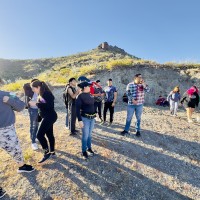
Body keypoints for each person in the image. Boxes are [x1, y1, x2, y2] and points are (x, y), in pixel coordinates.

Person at [0, 81, 35, 173]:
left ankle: (22, 166)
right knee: (15, 149)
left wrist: (9, 100)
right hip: (6, 129)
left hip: (6, 129)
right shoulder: (7, 94)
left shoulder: (7, 94)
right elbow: (21, 106)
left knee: (15, 148)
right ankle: (22, 166)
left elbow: (21, 106)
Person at [30, 80, 57, 163]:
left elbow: (49, 106)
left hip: (50, 116)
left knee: (39, 135)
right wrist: (39, 117)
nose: (33, 90)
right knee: (49, 134)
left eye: (33, 88)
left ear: (38, 87)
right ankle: (52, 152)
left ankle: (46, 152)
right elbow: (42, 108)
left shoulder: (46, 94)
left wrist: (36, 104)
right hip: (47, 116)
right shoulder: (41, 94)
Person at [76, 81, 96, 159]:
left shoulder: (90, 95)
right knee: (85, 135)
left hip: (92, 118)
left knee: (89, 135)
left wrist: (95, 113)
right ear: (84, 87)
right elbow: (77, 110)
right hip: (85, 119)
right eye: (88, 86)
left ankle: (89, 148)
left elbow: (92, 105)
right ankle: (84, 151)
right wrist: (79, 120)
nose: (90, 87)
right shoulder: (80, 96)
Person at [23, 79, 39, 150]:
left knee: (36, 124)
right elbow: (30, 102)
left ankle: (34, 137)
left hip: (38, 110)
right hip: (33, 110)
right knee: (34, 125)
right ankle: (33, 142)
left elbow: (42, 100)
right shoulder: (29, 91)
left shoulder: (39, 91)